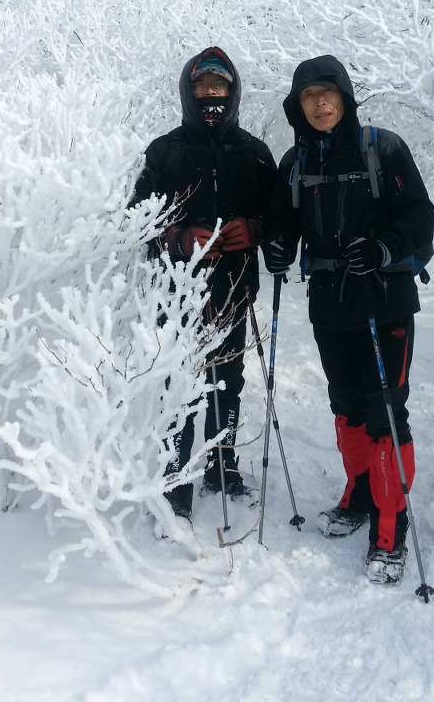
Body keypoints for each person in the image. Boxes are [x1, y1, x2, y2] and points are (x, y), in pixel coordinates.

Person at [263, 55, 434, 584]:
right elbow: (281, 219)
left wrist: (384, 248)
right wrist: (276, 245)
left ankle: (391, 523)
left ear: (344, 97)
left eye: (328, 93)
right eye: (308, 96)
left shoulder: (383, 149)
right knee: (346, 405)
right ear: (297, 105)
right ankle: (360, 495)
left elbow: (420, 216)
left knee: (385, 412)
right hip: (329, 304)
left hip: (384, 302)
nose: (319, 103)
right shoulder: (295, 163)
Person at [130, 47, 277, 522]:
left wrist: (253, 230)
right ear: (188, 92)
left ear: (232, 93)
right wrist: (176, 239)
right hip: (176, 292)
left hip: (234, 288)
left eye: (219, 86)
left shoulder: (254, 153)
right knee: (177, 382)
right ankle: (176, 475)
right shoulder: (164, 151)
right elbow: (137, 222)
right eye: (201, 86)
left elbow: (279, 217)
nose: (211, 94)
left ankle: (221, 463)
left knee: (227, 380)